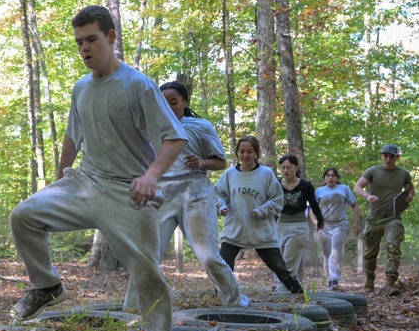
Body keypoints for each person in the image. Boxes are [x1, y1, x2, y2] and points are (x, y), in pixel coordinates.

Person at [9, 6, 187, 331]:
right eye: (78, 42)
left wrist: (151, 177)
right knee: (24, 216)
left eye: (91, 39)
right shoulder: (81, 88)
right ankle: (47, 286)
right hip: (85, 183)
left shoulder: (138, 85)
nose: (84, 48)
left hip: (129, 192)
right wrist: (62, 175)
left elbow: (175, 138)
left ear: (111, 37)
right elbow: (72, 135)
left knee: (146, 272)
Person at [123, 81, 248, 310]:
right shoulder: (149, 128)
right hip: (161, 194)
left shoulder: (200, 126)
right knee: (147, 256)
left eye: (174, 102)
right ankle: (131, 308)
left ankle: (236, 303)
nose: (169, 108)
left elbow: (220, 161)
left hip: (196, 191)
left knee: (209, 255)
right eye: (164, 103)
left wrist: (201, 162)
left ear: (185, 102)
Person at [214, 136, 304, 293]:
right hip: (234, 230)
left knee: (280, 267)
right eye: (241, 151)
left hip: (261, 232)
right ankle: (219, 299)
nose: (245, 155)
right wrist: (221, 207)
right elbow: (217, 194)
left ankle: (300, 296)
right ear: (237, 153)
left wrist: (262, 210)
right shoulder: (230, 174)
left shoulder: (266, 174)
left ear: (256, 153)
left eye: (250, 151)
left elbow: (277, 200)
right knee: (223, 268)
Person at [353, 144, 415, 295]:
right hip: (374, 218)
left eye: (392, 156)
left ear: (397, 158)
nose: (388, 159)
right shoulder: (373, 171)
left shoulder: (403, 173)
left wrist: (409, 197)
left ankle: (390, 283)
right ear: (382, 156)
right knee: (370, 252)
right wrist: (367, 196)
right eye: (386, 156)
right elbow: (357, 187)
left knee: (393, 246)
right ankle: (369, 281)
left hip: (393, 218)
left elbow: (410, 190)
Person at [275, 154, 324, 292]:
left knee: (288, 260)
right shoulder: (276, 184)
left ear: (296, 167)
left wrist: (320, 220)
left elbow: (314, 204)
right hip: (280, 225)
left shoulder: (305, 185)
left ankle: (282, 292)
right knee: (283, 259)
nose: (286, 171)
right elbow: (271, 204)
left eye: (289, 167)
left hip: (299, 226)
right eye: (283, 168)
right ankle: (297, 290)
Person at [315, 167, 361, 291]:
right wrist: (315, 221)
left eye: (333, 175)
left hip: (340, 224)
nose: (330, 178)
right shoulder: (319, 191)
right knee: (326, 254)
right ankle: (329, 278)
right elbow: (311, 209)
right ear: (324, 178)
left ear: (337, 177)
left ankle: (334, 279)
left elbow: (355, 205)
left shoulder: (344, 189)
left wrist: (357, 224)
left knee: (336, 251)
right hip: (324, 226)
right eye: (328, 175)